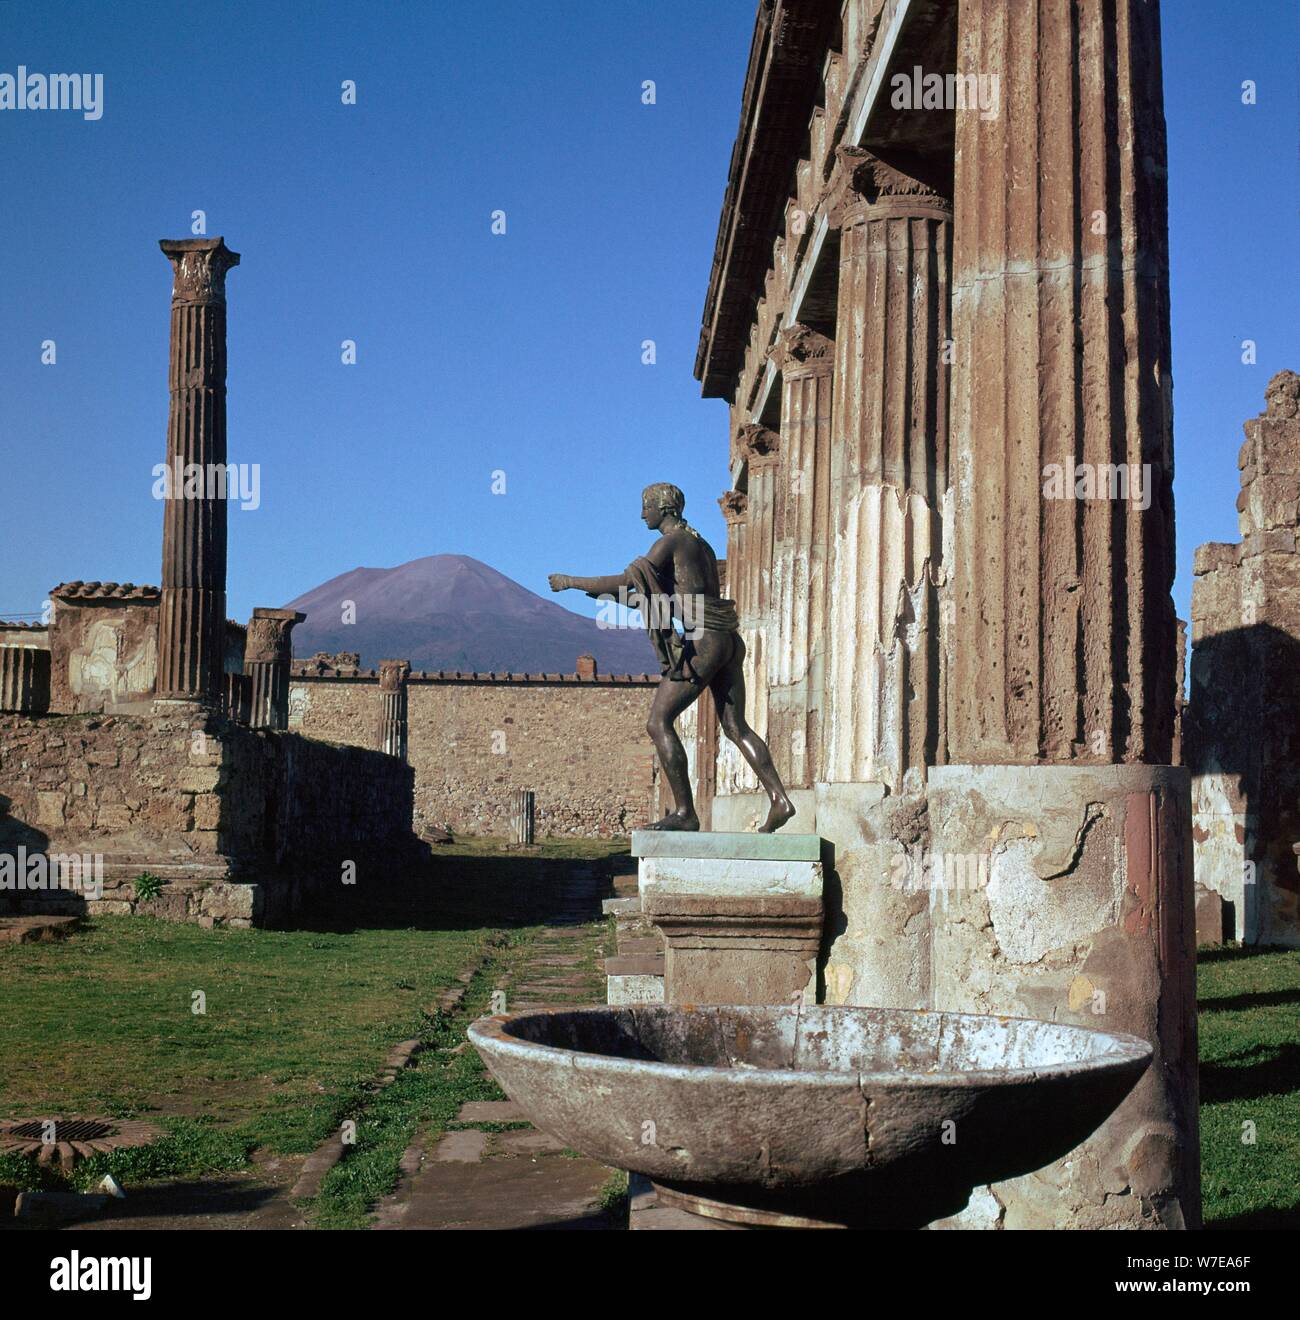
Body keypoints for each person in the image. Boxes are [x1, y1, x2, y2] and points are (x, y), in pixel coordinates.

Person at [549, 482, 795, 833]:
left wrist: (570, 581)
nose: (641, 514)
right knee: (736, 726)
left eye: (645, 506)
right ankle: (780, 800)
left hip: (703, 641)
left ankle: (685, 813)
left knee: (658, 722)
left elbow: (626, 580)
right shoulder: (700, 545)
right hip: (726, 639)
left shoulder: (670, 542)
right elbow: (666, 601)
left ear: (663, 508)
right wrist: (612, 599)